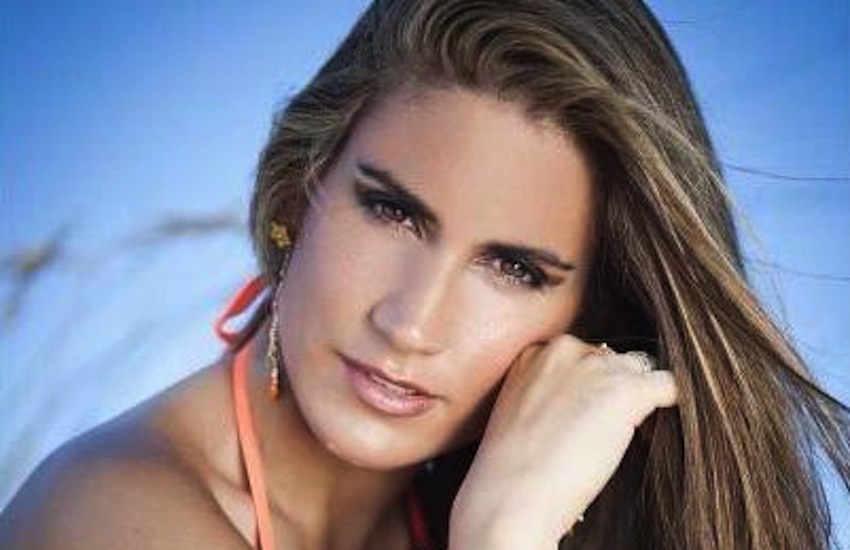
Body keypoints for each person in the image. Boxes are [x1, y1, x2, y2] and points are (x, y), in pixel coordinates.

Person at [1, 0, 848, 548]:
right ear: (300, 189)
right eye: (392, 212)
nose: (410, 323)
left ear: (588, 328)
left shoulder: (468, 504)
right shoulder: (111, 517)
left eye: (513, 269)